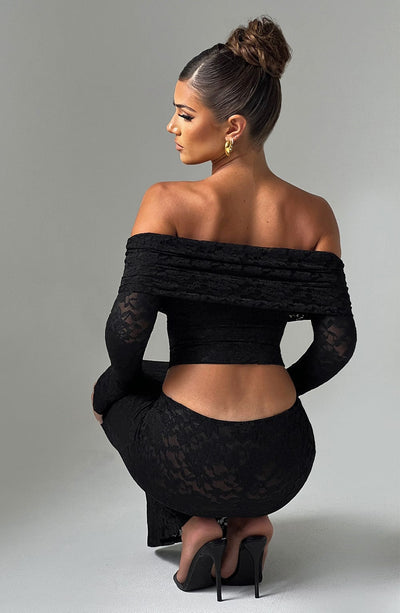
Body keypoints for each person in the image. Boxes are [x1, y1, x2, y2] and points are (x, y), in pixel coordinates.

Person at [91, 15, 357, 601]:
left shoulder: (167, 202)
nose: (172, 126)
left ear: (232, 126)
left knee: (114, 391)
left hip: (190, 450)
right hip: (285, 454)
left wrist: (117, 386)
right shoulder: (315, 214)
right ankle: (250, 522)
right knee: (157, 381)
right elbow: (339, 344)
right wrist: (279, 386)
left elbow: (126, 333)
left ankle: (197, 526)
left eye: (185, 115)